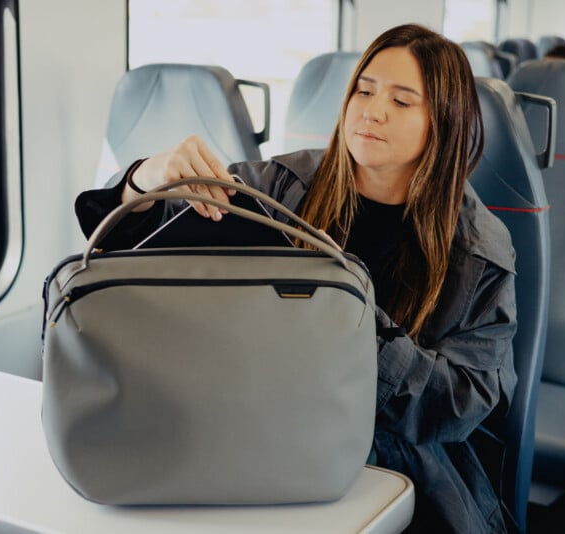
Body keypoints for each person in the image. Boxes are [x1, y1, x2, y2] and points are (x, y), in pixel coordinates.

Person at [76, 24, 517, 534]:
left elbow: (461, 403)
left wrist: (342, 321)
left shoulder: (477, 250)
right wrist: (145, 177)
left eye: (402, 101)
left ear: (444, 121)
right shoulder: (277, 187)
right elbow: (122, 242)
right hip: (246, 422)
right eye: (364, 90)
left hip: (397, 462)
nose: (371, 111)